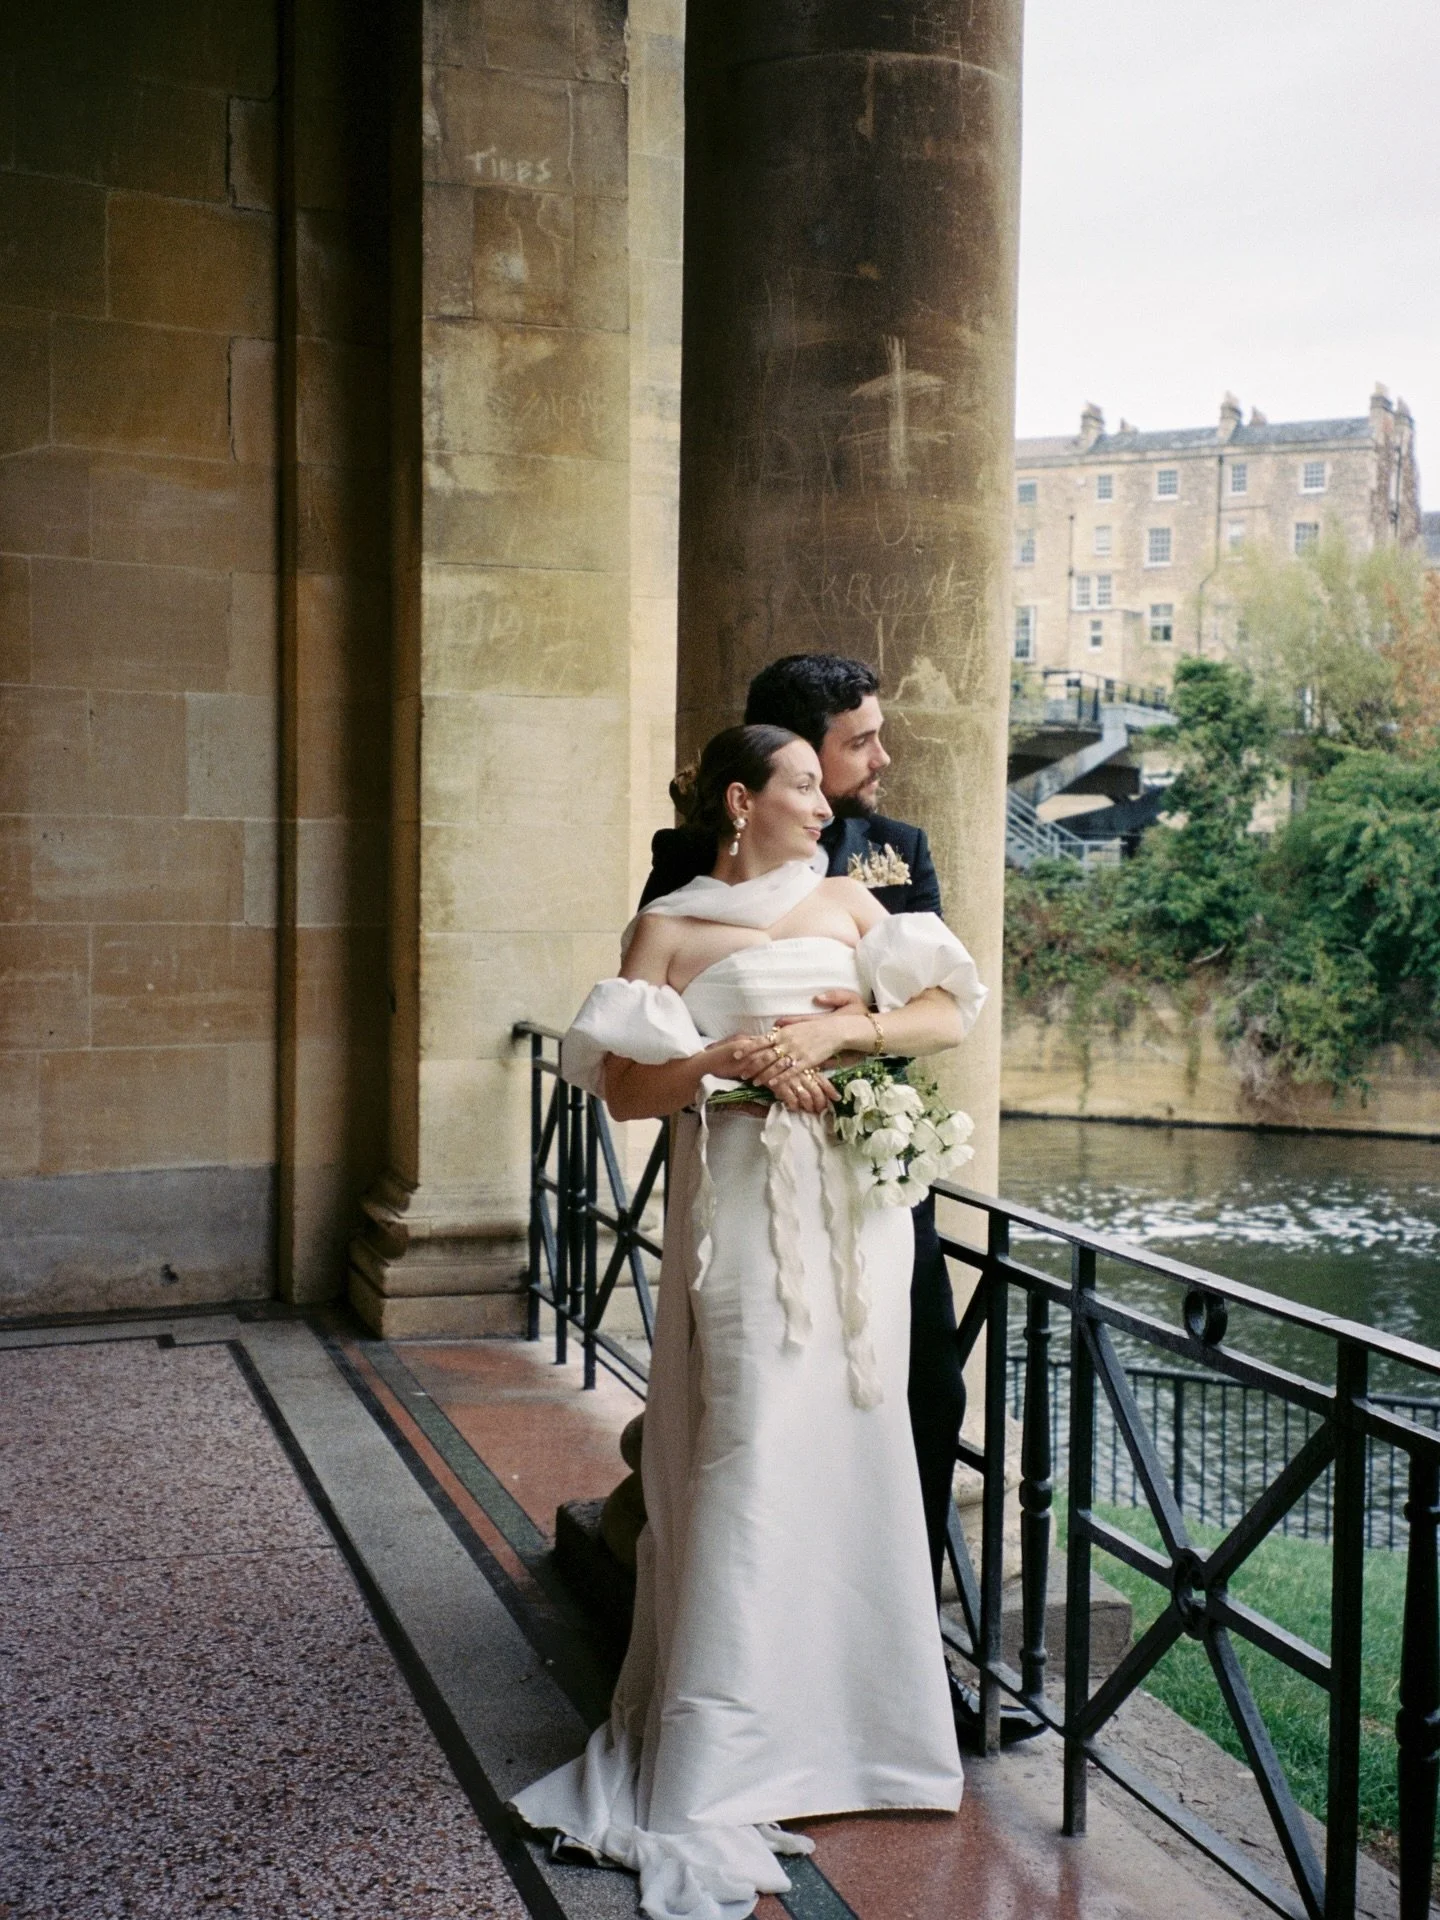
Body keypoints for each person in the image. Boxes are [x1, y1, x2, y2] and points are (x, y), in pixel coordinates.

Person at [511, 725, 987, 1920]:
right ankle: (731, 1741)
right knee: (749, 1445)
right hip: (734, 1200)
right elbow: (623, 1092)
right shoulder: (667, 925)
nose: (829, 808)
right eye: (804, 788)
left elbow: (945, 1013)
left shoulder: (849, 904)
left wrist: (843, 1033)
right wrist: (723, 1058)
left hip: (850, 1215)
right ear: (742, 799)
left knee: (854, 1443)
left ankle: (861, 1733)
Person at [642, 659, 961, 1610]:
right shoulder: (686, 857)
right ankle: (758, 1629)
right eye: (857, 740)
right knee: (760, 1401)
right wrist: (745, 1056)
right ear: (789, 755)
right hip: (747, 1165)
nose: (879, 757)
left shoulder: (894, 849)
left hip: (870, 1163)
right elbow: (666, 1012)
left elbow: (931, 996)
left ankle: (899, 1639)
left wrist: (851, 1023)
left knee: (924, 1390)